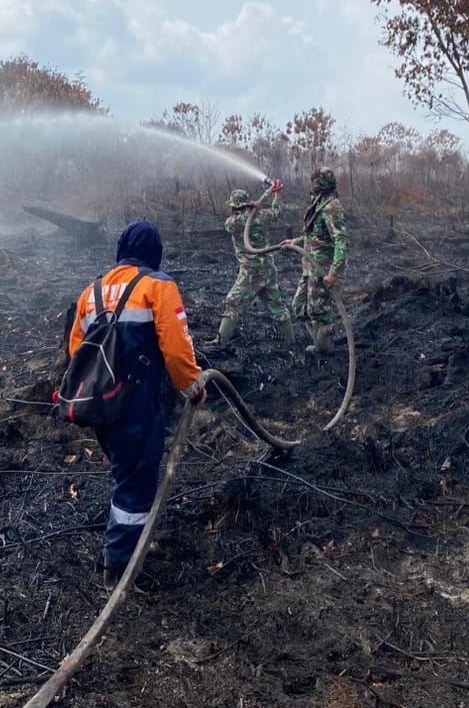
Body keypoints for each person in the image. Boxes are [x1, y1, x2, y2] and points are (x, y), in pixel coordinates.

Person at [66, 221, 207, 582]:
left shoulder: (91, 292)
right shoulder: (158, 287)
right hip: (137, 405)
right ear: (153, 253)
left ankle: (129, 544)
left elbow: (75, 352)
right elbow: (177, 350)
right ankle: (121, 565)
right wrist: (193, 388)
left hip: (100, 404)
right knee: (136, 482)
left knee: (126, 473)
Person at [217, 181, 295, 345]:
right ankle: (291, 344)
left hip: (252, 272)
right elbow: (278, 211)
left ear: (234, 206)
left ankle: (220, 342)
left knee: (233, 303)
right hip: (267, 269)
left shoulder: (233, 222)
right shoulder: (262, 215)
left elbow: (236, 223)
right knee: (278, 308)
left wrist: (257, 206)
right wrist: (277, 196)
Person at [285, 166, 349, 354]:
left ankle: (325, 349)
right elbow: (314, 236)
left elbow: (341, 240)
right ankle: (320, 342)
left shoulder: (332, 207)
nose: (311, 184)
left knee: (319, 310)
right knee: (299, 306)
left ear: (321, 183)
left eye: (315, 181)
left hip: (322, 268)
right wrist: (294, 241)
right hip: (309, 267)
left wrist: (334, 272)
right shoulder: (319, 203)